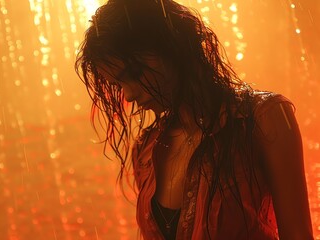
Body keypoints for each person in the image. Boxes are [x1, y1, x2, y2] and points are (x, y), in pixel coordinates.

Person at [75, 0, 313, 239]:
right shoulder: (147, 151)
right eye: (119, 83)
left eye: (135, 74)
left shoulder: (264, 119)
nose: (128, 94)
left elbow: (298, 235)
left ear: (173, 45)